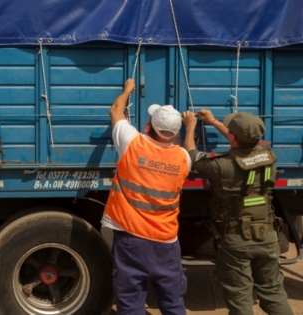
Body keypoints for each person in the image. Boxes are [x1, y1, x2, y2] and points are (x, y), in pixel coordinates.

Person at [182, 109, 293, 315]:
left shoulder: (220, 165)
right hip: (268, 236)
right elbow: (244, 142)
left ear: (233, 136)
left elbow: (191, 154)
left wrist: (190, 127)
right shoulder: (269, 156)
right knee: (274, 292)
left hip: (235, 239)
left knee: (240, 296)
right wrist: (214, 122)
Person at [102, 78, 191, 315]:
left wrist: (127, 90)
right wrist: (191, 126)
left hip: (131, 241)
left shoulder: (132, 142)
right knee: (173, 303)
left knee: (130, 304)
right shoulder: (184, 158)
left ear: (149, 124)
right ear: (175, 133)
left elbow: (115, 110)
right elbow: (191, 151)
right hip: (167, 243)